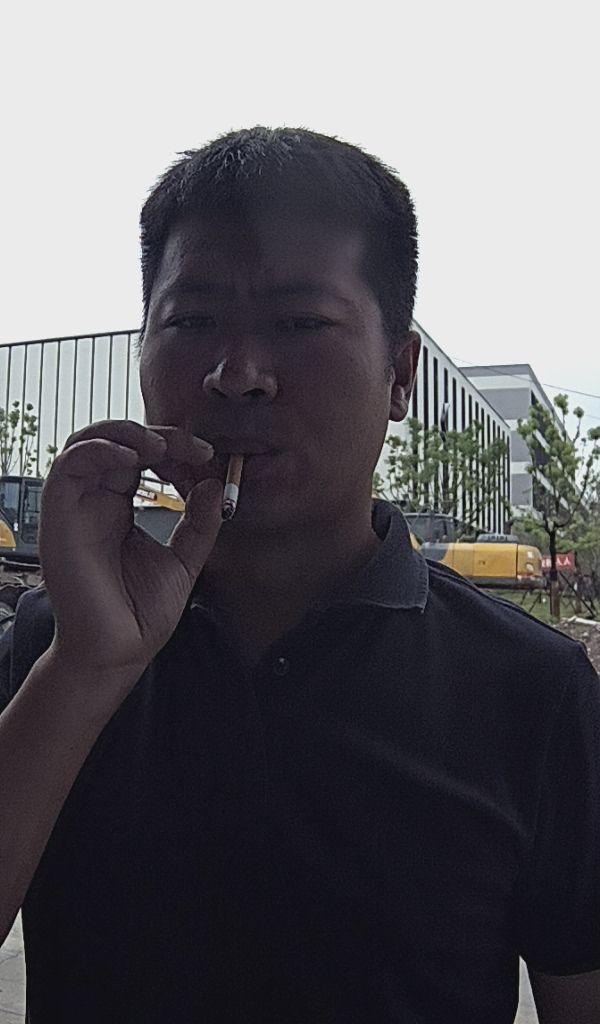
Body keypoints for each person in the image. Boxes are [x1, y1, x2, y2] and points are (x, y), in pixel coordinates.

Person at [0, 127, 598, 1024]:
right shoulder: (54, 647)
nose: (237, 375)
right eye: (192, 323)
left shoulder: (533, 689)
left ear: (400, 377)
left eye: (300, 324)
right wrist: (83, 672)